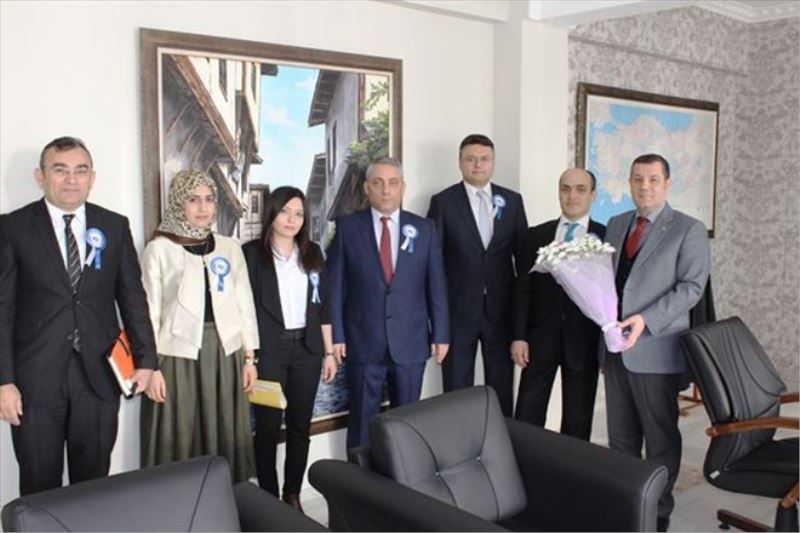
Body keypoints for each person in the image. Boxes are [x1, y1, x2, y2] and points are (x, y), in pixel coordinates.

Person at [0, 136, 157, 495]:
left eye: (81, 170)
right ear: (41, 176)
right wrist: (3, 381)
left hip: (98, 376)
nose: (72, 179)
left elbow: (133, 299)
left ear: (92, 177)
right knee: (39, 486)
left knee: (94, 486)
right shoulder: (13, 228)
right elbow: (3, 309)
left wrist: (146, 360)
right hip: (35, 380)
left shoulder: (114, 226)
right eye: (61, 170)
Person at [603, 154, 710, 532]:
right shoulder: (616, 224)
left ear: (667, 184)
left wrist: (646, 319)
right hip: (615, 351)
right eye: (637, 179)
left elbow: (691, 288)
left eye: (652, 179)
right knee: (621, 438)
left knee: (660, 438)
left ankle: (657, 512)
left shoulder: (688, 229)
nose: (644, 186)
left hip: (656, 349)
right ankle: (625, 505)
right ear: (629, 183)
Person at [140, 169, 259, 483]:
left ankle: (226, 500)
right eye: (193, 199)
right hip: (177, 357)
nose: (203, 207)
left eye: (209, 199)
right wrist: (150, 368)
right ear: (179, 202)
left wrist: (250, 358)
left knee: (225, 433)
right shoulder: (159, 248)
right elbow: (149, 311)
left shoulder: (229, 247)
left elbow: (244, 303)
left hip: (226, 354)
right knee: (181, 437)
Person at [327, 156, 450, 448]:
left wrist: (441, 334)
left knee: (407, 422)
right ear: (367, 188)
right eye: (378, 183)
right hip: (362, 340)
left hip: (411, 340)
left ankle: (401, 475)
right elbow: (335, 287)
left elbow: (436, 285)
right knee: (361, 422)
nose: (386, 190)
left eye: (393, 183)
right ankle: (359, 476)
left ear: (402, 187)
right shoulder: (347, 229)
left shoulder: (425, 229)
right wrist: (337, 336)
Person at [242, 186, 337, 514]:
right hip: (270, 352)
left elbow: (323, 308)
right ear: (272, 212)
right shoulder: (252, 254)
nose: (291, 219)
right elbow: (244, 308)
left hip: (307, 351)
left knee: (300, 427)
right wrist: (249, 357)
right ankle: (268, 498)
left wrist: (328, 353)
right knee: (267, 428)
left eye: (298, 214)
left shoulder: (313, 254)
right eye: (285, 211)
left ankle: (293, 494)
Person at [426, 134, 527, 416]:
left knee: (501, 391)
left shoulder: (512, 201)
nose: (478, 165)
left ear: (493, 162)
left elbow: (523, 264)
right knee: (456, 393)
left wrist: (520, 325)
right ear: (460, 162)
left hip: (501, 313)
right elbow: (433, 264)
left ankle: (501, 440)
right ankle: (458, 442)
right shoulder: (443, 202)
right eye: (470, 159)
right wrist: (437, 321)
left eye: (484, 159)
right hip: (458, 314)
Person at [511, 168, 605, 440]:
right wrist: (519, 336)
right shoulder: (535, 236)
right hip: (539, 340)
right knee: (528, 413)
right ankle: (526, 460)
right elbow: (522, 290)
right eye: (565, 188)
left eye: (580, 189)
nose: (571, 195)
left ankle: (571, 465)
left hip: (584, 343)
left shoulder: (607, 236)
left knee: (578, 419)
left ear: (593, 195)